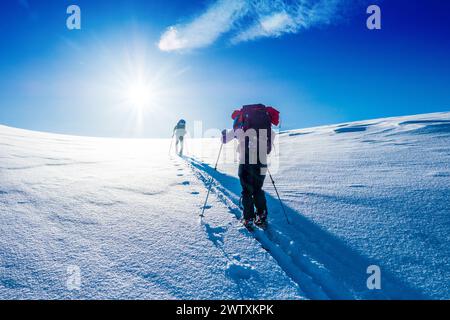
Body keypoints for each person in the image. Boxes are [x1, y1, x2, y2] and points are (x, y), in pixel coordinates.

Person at [222, 104, 280, 228]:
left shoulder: (241, 125)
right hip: (261, 159)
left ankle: (248, 218)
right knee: (258, 188)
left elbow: (225, 139)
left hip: (245, 159)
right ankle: (261, 215)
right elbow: (272, 138)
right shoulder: (267, 126)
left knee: (247, 189)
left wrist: (224, 135)